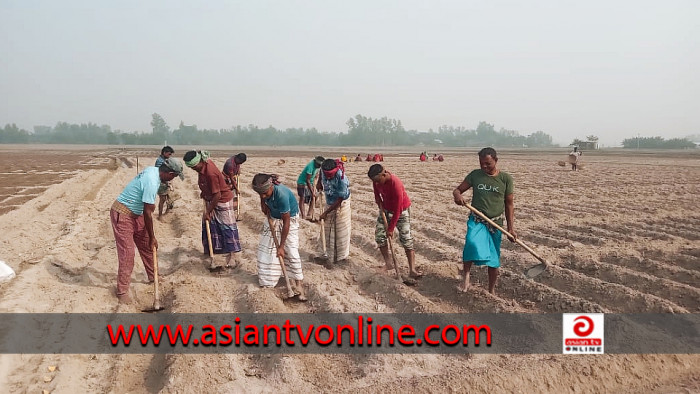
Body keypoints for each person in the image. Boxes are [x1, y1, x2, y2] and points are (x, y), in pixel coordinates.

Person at [110, 158, 184, 304]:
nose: (173, 179)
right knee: (128, 254)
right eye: (174, 176)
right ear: (168, 173)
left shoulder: (154, 170)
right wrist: (152, 237)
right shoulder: (151, 182)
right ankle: (122, 290)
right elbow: (148, 213)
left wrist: (150, 239)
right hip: (123, 214)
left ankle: (153, 276)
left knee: (147, 246)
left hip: (136, 213)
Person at [452, 147, 515, 295]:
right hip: (477, 219)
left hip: (496, 223)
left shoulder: (505, 179)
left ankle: (491, 290)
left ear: (496, 161)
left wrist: (511, 229)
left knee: (494, 258)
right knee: (471, 244)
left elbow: (509, 204)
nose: (484, 167)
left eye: (488, 163)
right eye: (482, 164)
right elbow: (457, 190)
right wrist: (457, 196)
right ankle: (466, 277)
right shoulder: (475, 175)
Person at [184, 150, 242, 270]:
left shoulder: (210, 172)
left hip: (222, 200)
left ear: (200, 162)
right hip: (211, 198)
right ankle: (214, 251)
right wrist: (204, 192)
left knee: (227, 228)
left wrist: (208, 212)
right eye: (192, 168)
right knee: (212, 227)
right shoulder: (203, 166)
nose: (194, 170)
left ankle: (231, 256)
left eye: (195, 167)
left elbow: (218, 195)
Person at [252, 174, 306, 301]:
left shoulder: (281, 194)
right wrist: (264, 202)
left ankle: (298, 285)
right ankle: (269, 280)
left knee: (291, 252)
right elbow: (264, 207)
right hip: (273, 218)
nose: (263, 196)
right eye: (260, 194)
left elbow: (286, 222)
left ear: (271, 186)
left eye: (265, 193)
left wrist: (281, 246)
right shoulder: (264, 193)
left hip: (289, 221)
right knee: (266, 251)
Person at [368, 164, 421, 278]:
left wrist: (391, 229)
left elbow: (398, 209)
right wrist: (379, 202)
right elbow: (377, 194)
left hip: (401, 211)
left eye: (377, 180)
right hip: (385, 210)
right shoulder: (376, 181)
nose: (376, 183)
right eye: (374, 181)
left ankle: (412, 270)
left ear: (383, 174)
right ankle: (388, 264)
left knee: (406, 239)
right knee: (379, 237)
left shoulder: (395, 184)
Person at [316, 159, 351, 263]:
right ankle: (324, 254)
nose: (329, 177)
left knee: (341, 230)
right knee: (326, 228)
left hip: (342, 203)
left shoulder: (342, 179)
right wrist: (319, 183)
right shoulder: (323, 170)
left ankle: (341, 258)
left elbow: (340, 200)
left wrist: (325, 213)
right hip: (329, 200)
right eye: (327, 175)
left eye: (331, 175)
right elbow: (321, 173)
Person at [155, 146, 182, 218]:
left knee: (171, 199)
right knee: (162, 199)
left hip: (168, 181)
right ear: (164, 153)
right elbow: (159, 172)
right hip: (161, 182)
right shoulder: (160, 161)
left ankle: (166, 213)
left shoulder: (167, 160)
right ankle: (160, 215)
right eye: (169, 154)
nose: (170, 156)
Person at [296, 156, 324, 220]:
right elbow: (307, 180)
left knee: (314, 197)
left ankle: (309, 214)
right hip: (302, 183)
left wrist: (316, 176)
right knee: (302, 198)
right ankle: (303, 215)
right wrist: (312, 192)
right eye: (319, 165)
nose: (319, 166)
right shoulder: (310, 167)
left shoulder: (318, 167)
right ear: (315, 162)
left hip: (311, 183)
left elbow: (318, 174)